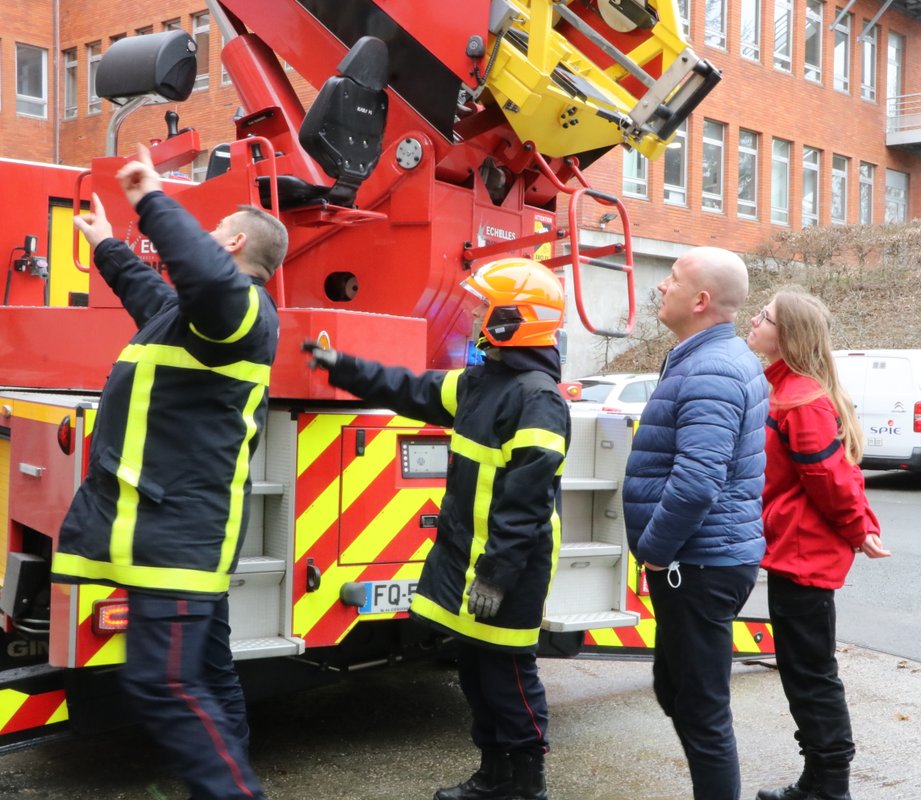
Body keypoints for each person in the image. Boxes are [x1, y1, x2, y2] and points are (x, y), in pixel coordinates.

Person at [51, 144, 287, 800]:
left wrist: (151, 199)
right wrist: (106, 244)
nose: (205, 236)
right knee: (201, 673)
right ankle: (232, 775)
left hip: (176, 534)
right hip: (179, 531)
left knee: (165, 682)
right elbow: (152, 293)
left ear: (233, 243)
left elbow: (201, 277)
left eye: (216, 230)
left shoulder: (238, 307)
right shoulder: (201, 319)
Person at [303, 257, 569, 800]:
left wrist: (495, 576)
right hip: (468, 556)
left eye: (485, 308)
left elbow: (525, 504)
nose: (474, 316)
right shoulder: (482, 382)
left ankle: (526, 784)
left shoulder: (536, 397)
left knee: (509, 676)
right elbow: (411, 388)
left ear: (513, 320)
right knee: (474, 670)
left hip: (507, 567)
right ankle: (495, 776)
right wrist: (343, 367)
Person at [623, 246, 769, 800]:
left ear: (701, 300)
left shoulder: (712, 369)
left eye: (673, 279)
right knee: (676, 689)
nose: (662, 287)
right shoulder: (704, 358)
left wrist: (655, 551)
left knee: (702, 709)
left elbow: (697, 482)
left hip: (698, 564)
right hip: (699, 559)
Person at [746, 291, 891, 800]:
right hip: (795, 549)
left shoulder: (800, 398)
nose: (754, 320)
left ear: (787, 335)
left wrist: (858, 528)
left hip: (803, 552)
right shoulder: (790, 390)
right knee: (804, 670)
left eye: (764, 316)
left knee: (811, 673)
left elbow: (830, 477)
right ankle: (818, 780)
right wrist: (859, 525)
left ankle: (830, 786)